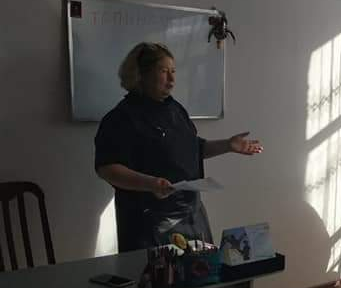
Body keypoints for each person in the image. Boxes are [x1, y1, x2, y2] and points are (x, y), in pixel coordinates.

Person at [95, 42, 262, 252]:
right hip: (148, 221)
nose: (172, 79)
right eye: (163, 71)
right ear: (141, 74)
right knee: (158, 272)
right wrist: (150, 183)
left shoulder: (175, 109)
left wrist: (228, 145)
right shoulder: (121, 118)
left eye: (173, 71)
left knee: (202, 269)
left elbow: (193, 149)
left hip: (191, 214)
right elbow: (108, 168)